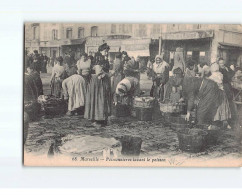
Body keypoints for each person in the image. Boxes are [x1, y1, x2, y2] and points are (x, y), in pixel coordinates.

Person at [84, 61, 112, 127]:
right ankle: (98, 118)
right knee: (99, 101)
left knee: (95, 101)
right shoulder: (102, 75)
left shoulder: (93, 75)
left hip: (96, 87)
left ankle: (96, 118)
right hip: (98, 87)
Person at [209, 63, 231, 128]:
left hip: (216, 93)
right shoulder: (221, 75)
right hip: (222, 92)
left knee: (216, 107)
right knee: (223, 106)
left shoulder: (212, 76)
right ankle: (225, 122)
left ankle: (214, 122)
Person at [218, 57, 236, 125]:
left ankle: (230, 117)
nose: (222, 64)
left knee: (229, 101)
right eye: (220, 63)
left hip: (227, 86)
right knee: (224, 102)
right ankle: (224, 118)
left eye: (222, 63)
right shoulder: (219, 70)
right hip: (223, 86)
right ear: (218, 63)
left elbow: (232, 73)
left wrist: (230, 70)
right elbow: (225, 78)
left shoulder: (226, 68)